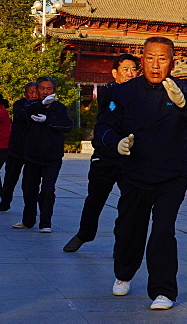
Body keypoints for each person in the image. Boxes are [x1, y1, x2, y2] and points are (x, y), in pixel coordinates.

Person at [94, 36, 187, 311]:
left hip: (172, 175)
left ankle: (163, 291)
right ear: (141, 60)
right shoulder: (124, 93)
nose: (155, 64)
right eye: (150, 58)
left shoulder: (185, 90)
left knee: (163, 230)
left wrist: (185, 104)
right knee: (130, 229)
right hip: (134, 173)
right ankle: (123, 273)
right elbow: (102, 128)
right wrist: (115, 142)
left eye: (162, 58)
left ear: (172, 61)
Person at [63, 53, 139, 253]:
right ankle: (84, 234)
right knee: (95, 199)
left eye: (134, 69)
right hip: (105, 155)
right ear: (115, 73)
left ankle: (121, 243)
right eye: (125, 69)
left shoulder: (143, 94)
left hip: (131, 157)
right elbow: (109, 101)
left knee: (129, 203)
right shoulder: (109, 91)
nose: (130, 73)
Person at [14, 77, 73, 232]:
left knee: (47, 190)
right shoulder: (31, 105)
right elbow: (20, 115)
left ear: (53, 91)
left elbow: (68, 125)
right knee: (29, 189)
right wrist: (41, 104)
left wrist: (48, 120)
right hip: (32, 155)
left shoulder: (60, 108)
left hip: (52, 157)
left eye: (49, 89)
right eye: (42, 88)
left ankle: (45, 223)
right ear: (37, 89)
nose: (45, 92)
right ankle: (28, 221)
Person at [0, 82, 39, 213]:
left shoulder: (43, 105)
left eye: (36, 92)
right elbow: (21, 115)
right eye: (31, 92)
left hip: (33, 149)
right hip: (17, 148)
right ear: (25, 93)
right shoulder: (19, 104)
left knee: (30, 182)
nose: (34, 95)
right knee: (10, 178)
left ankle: (30, 210)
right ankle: (5, 203)